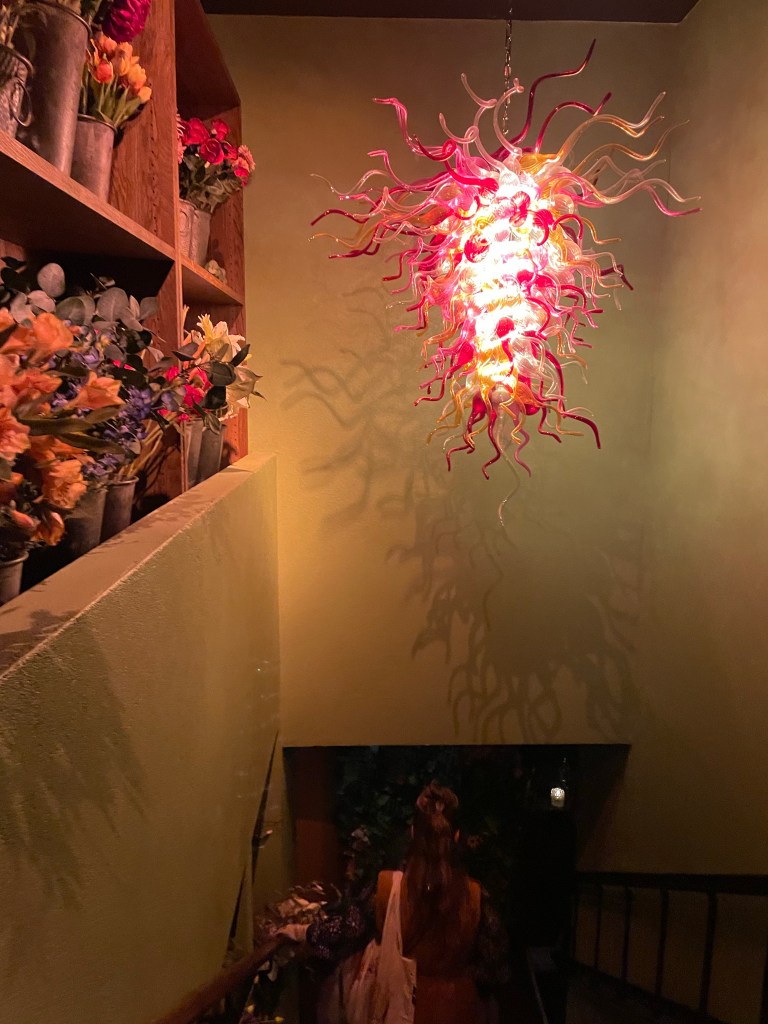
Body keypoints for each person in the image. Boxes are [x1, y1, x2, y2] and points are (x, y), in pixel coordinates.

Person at [284, 782, 531, 1024]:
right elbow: (495, 968)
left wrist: (303, 932)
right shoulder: (476, 896)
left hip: (399, 1009)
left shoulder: (386, 889)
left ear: (413, 832)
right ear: (457, 837)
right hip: (460, 1010)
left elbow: (347, 932)